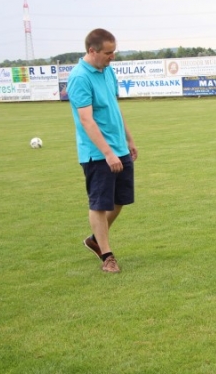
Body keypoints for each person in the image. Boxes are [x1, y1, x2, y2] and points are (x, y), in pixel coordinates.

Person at [67, 28, 138, 273]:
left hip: (119, 147)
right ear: (92, 50)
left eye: (114, 51)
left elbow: (113, 107)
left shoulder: (108, 71)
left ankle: (95, 239)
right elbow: (86, 120)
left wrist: (129, 139)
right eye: (108, 53)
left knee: (120, 200)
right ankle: (107, 256)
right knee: (99, 203)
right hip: (97, 153)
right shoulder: (79, 77)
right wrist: (108, 153)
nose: (112, 57)